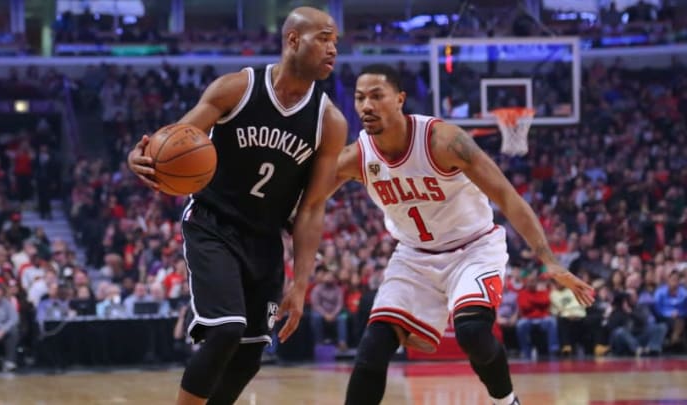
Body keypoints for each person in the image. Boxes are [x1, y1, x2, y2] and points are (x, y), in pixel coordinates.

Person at [331, 64, 595, 405]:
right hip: (413, 255)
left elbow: (507, 197)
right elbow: (306, 202)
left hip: (473, 247)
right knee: (372, 348)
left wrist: (549, 261)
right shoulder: (356, 157)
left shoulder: (444, 141)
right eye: (360, 98)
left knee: (472, 332)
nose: (366, 105)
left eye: (376, 96)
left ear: (399, 99)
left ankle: (506, 400)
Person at [127, 7, 346, 405]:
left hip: (265, 240)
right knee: (226, 329)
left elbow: (313, 208)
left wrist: (300, 282)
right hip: (213, 223)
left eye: (336, 42)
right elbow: (173, 140)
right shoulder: (235, 88)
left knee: (248, 357)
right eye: (325, 38)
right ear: (293, 40)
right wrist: (138, 156)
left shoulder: (329, 122)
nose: (333, 49)